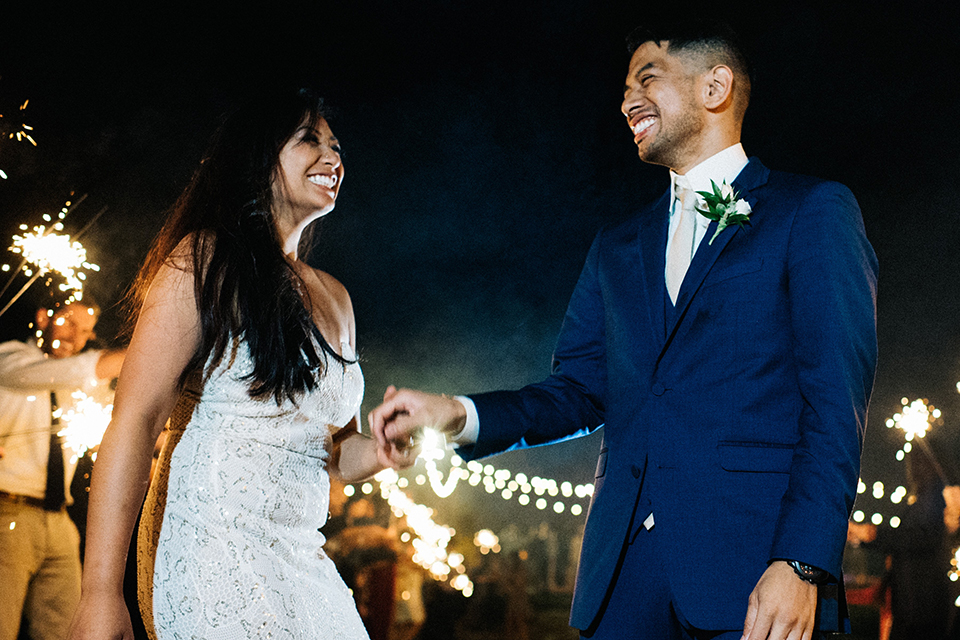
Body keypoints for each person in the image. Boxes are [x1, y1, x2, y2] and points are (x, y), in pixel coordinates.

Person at [370, 19, 878, 640]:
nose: (626, 99)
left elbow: (835, 405)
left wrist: (801, 563)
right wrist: (457, 414)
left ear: (715, 86)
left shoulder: (812, 211)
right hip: (624, 586)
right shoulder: (616, 247)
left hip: (754, 580)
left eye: (648, 77)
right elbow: (577, 392)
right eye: (625, 84)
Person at [66, 89, 415, 640]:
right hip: (209, 548)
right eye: (310, 141)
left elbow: (330, 453)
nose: (333, 158)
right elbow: (134, 422)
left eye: (336, 146)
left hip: (305, 561)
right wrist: (99, 594)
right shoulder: (203, 261)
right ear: (257, 157)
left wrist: (385, 450)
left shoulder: (336, 296)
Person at [0, 297, 125, 640]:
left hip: (59, 521)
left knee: (62, 630)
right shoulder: (11, 358)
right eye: (69, 323)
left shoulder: (81, 387)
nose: (76, 337)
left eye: (85, 331)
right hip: (8, 512)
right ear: (43, 317)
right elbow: (67, 372)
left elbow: (117, 421)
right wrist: (141, 353)